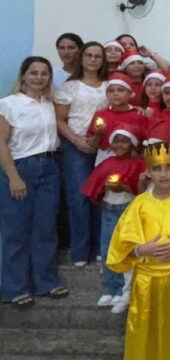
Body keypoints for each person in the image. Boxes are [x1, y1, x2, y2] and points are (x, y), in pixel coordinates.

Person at [106, 138, 170, 360]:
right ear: (148, 172)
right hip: (147, 282)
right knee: (147, 336)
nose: (163, 174)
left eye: (169, 167)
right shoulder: (139, 204)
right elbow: (120, 246)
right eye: (157, 168)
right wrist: (141, 250)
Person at [0, 57, 69, 308]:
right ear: (24, 75)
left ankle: (46, 282)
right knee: (16, 231)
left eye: (44, 73)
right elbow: (1, 144)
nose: (39, 78)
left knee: (45, 228)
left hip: (49, 168)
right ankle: (14, 287)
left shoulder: (49, 104)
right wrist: (13, 177)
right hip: (21, 167)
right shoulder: (9, 104)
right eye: (34, 73)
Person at [81, 123, 145, 313]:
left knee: (125, 250)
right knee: (107, 249)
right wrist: (104, 189)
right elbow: (94, 188)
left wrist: (125, 188)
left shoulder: (138, 164)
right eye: (116, 141)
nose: (119, 145)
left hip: (128, 210)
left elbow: (142, 193)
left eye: (124, 141)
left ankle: (123, 289)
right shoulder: (106, 164)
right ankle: (109, 288)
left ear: (132, 143)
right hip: (109, 210)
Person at [54, 41, 108, 266]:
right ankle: (80, 251)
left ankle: (99, 248)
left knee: (100, 197)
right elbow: (59, 120)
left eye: (97, 56)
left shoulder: (109, 86)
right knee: (78, 198)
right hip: (75, 146)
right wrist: (77, 141)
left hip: (102, 148)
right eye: (89, 55)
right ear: (82, 58)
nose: (93, 59)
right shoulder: (70, 87)